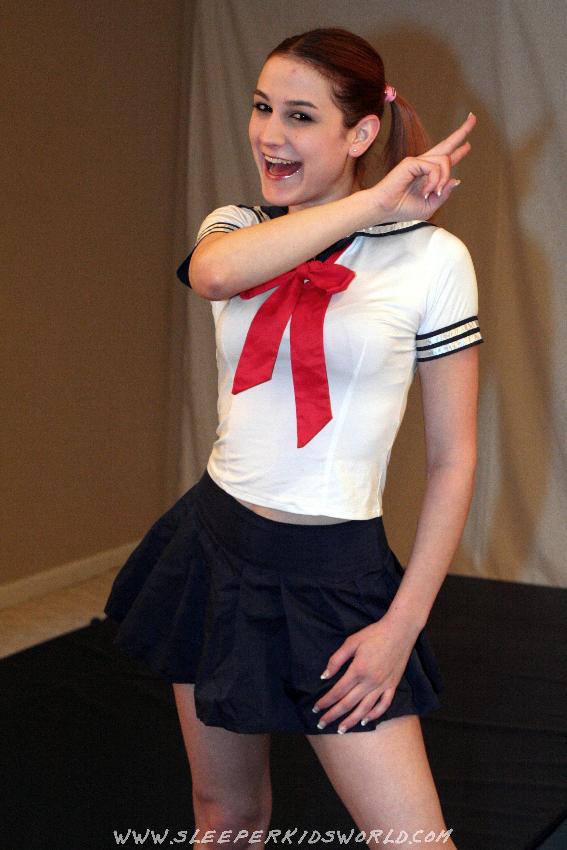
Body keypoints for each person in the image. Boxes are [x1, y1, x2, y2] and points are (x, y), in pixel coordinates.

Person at [105, 26, 483, 849]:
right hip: (215, 550)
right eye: (261, 107)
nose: (269, 134)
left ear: (361, 132)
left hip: (335, 575)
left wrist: (400, 628)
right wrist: (372, 203)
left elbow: (454, 459)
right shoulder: (236, 226)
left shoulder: (433, 260)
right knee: (227, 820)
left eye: (301, 116)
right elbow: (213, 274)